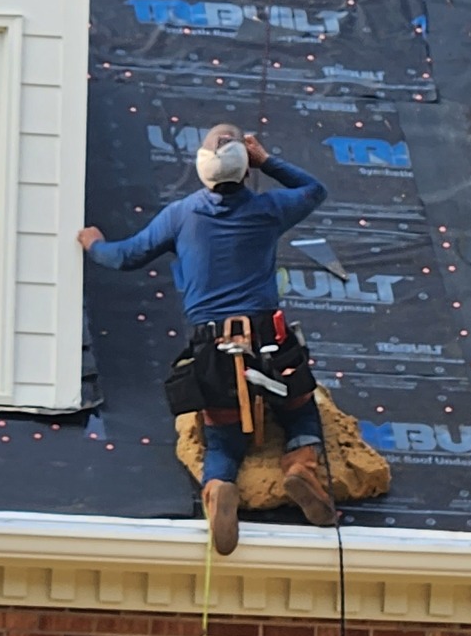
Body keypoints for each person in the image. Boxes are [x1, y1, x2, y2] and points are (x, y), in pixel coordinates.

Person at [77, 125, 334, 553]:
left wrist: (93, 243)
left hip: (213, 349)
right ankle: (301, 465)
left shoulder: (180, 216)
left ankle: (218, 488)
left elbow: (124, 257)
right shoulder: (269, 209)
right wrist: (266, 160)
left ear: (201, 168)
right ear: (244, 166)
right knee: (301, 412)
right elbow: (315, 189)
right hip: (269, 337)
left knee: (223, 436)